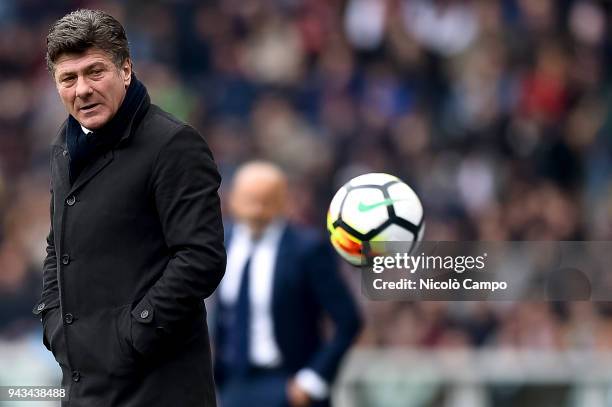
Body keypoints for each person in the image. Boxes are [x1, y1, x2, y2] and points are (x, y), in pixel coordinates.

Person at [32, 9, 226, 406]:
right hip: (86, 388)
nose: (82, 89)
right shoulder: (62, 147)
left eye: (95, 72)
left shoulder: (173, 145)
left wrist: (133, 334)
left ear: (126, 70)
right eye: (68, 78)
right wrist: (53, 323)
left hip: (159, 389)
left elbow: (200, 257)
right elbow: (58, 248)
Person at [214, 161, 362, 407]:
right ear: (233, 199)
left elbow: (348, 320)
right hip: (233, 383)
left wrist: (312, 379)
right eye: (250, 198)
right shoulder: (222, 244)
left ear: (282, 201)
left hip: (287, 382)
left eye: (266, 199)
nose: (257, 208)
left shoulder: (307, 249)